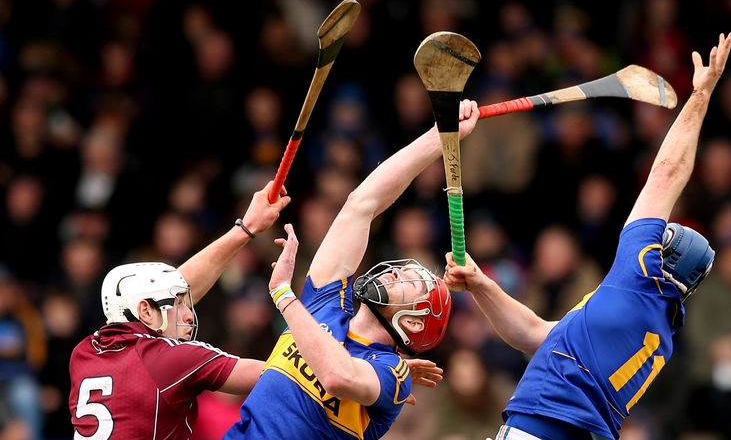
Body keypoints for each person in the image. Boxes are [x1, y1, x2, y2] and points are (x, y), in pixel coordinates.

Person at [444, 33, 731, 440]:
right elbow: (534, 334)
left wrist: (700, 95)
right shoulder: (652, 330)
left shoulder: (638, 278)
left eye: (660, 238)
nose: (651, 232)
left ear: (662, 260)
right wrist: (480, 284)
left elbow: (666, 174)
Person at [223, 100, 482, 440]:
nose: (394, 272)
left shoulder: (393, 374)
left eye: (410, 282)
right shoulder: (327, 301)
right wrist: (442, 136)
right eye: (402, 270)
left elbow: (338, 377)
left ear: (414, 321)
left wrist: (285, 295)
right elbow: (361, 204)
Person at [68, 181, 290, 439]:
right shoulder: (170, 359)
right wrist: (287, 296)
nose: (188, 314)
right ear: (145, 311)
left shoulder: (84, 352)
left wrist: (246, 228)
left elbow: (166, 291)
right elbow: (281, 374)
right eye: (178, 304)